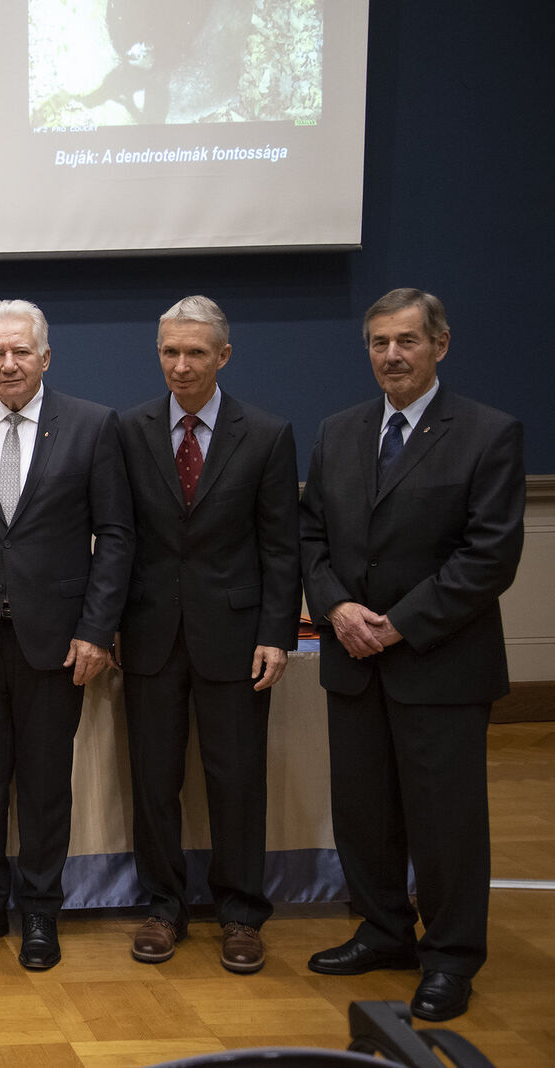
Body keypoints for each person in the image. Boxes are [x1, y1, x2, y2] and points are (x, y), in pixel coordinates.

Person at [300, 288, 524, 1022]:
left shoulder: (487, 434)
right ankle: (384, 930)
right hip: (353, 661)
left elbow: (488, 557)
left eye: (405, 341)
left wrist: (394, 624)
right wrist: (335, 607)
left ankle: (452, 956)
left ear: (440, 345)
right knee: (364, 814)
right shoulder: (339, 432)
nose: (390, 355)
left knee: (446, 822)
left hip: (438, 664)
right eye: (377, 343)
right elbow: (311, 539)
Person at [0, 299, 134, 971]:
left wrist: (98, 630)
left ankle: (42, 911)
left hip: (58, 643)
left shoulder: (94, 426)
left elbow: (118, 537)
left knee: (46, 787)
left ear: (45, 356)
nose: (8, 363)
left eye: (21, 351)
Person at [116, 296, 300, 972]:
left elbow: (282, 546)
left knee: (236, 781)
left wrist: (277, 632)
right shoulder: (129, 429)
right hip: (150, 636)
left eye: (196, 353)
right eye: (170, 351)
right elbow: (119, 536)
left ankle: (242, 915)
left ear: (223, 355)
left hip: (237, 635)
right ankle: (163, 907)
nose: (182, 365)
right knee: (154, 782)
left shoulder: (268, 433)